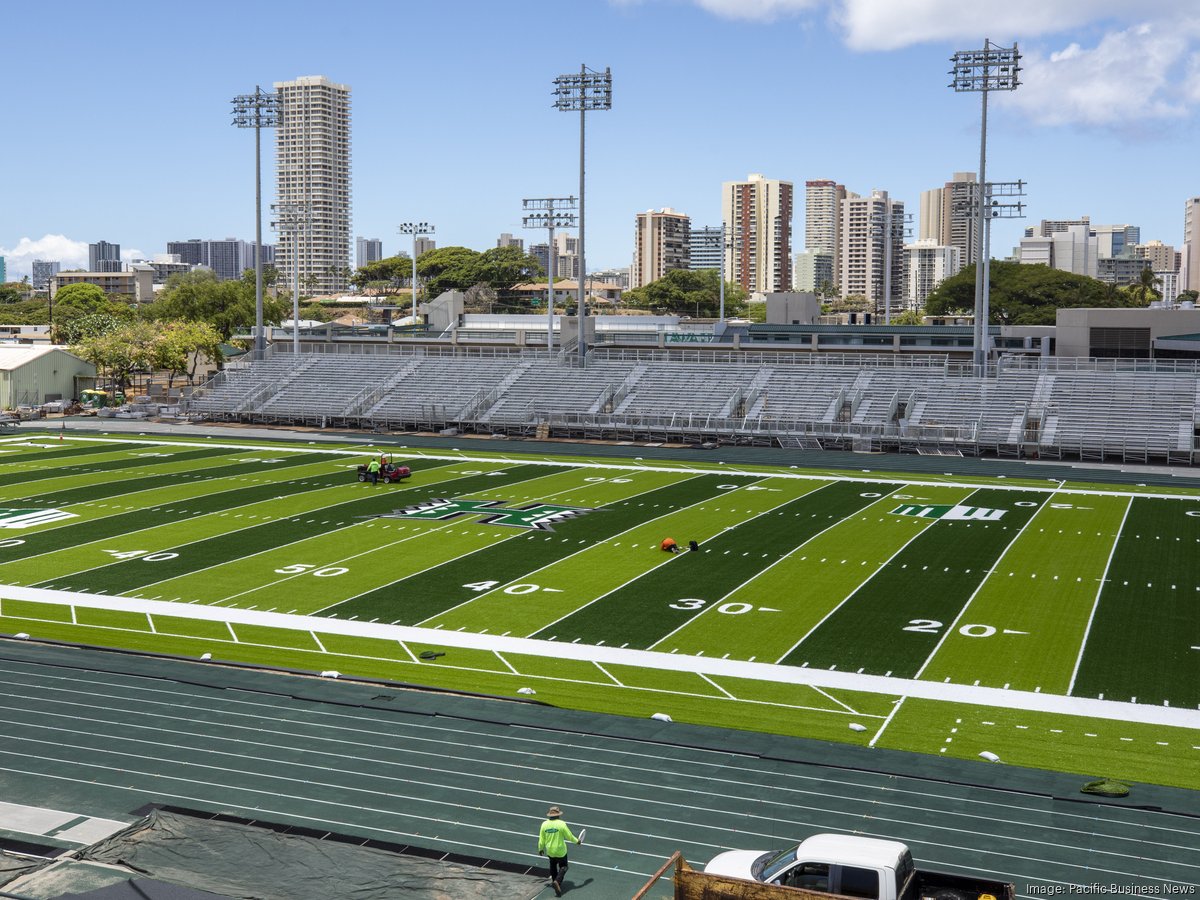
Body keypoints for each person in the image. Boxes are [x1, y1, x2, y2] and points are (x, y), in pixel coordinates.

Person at [537, 806, 581, 896]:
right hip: (560, 851)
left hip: (550, 850)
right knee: (564, 866)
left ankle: (555, 882)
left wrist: (540, 849)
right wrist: (577, 841)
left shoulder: (544, 824)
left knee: (553, 866)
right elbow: (569, 836)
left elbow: (541, 839)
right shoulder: (561, 824)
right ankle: (557, 881)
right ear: (558, 815)